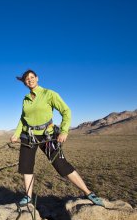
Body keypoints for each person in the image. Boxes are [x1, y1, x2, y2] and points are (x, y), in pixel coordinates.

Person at [10, 69, 104, 207]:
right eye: (27, 79)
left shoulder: (49, 94)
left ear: (37, 78)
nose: (30, 80)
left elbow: (66, 111)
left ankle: (88, 192)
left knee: (61, 165)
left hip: (47, 136)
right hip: (29, 136)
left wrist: (64, 131)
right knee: (26, 166)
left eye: (32, 77)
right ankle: (28, 197)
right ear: (24, 82)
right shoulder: (26, 99)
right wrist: (16, 134)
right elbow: (23, 119)